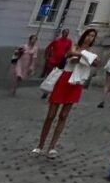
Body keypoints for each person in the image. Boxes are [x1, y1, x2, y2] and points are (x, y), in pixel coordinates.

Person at [32, 28, 99, 158]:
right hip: (64, 79)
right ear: (84, 36)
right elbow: (69, 54)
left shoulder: (91, 52)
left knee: (63, 115)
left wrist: (86, 57)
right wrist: (80, 56)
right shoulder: (75, 46)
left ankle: (52, 147)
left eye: (93, 36)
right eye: (89, 35)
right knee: (51, 115)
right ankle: (40, 145)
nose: (90, 38)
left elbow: (96, 62)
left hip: (76, 83)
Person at [40, 28, 73, 99]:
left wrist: (67, 57)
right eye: (65, 33)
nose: (66, 34)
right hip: (52, 60)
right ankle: (45, 91)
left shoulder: (69, 41)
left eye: (67, 33)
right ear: (62, 33)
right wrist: (47, 57)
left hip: (61, 62)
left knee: (57, 77)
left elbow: (70, 50)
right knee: (49, 76)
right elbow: (48, 48)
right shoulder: (57, 40)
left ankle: (53, 92)